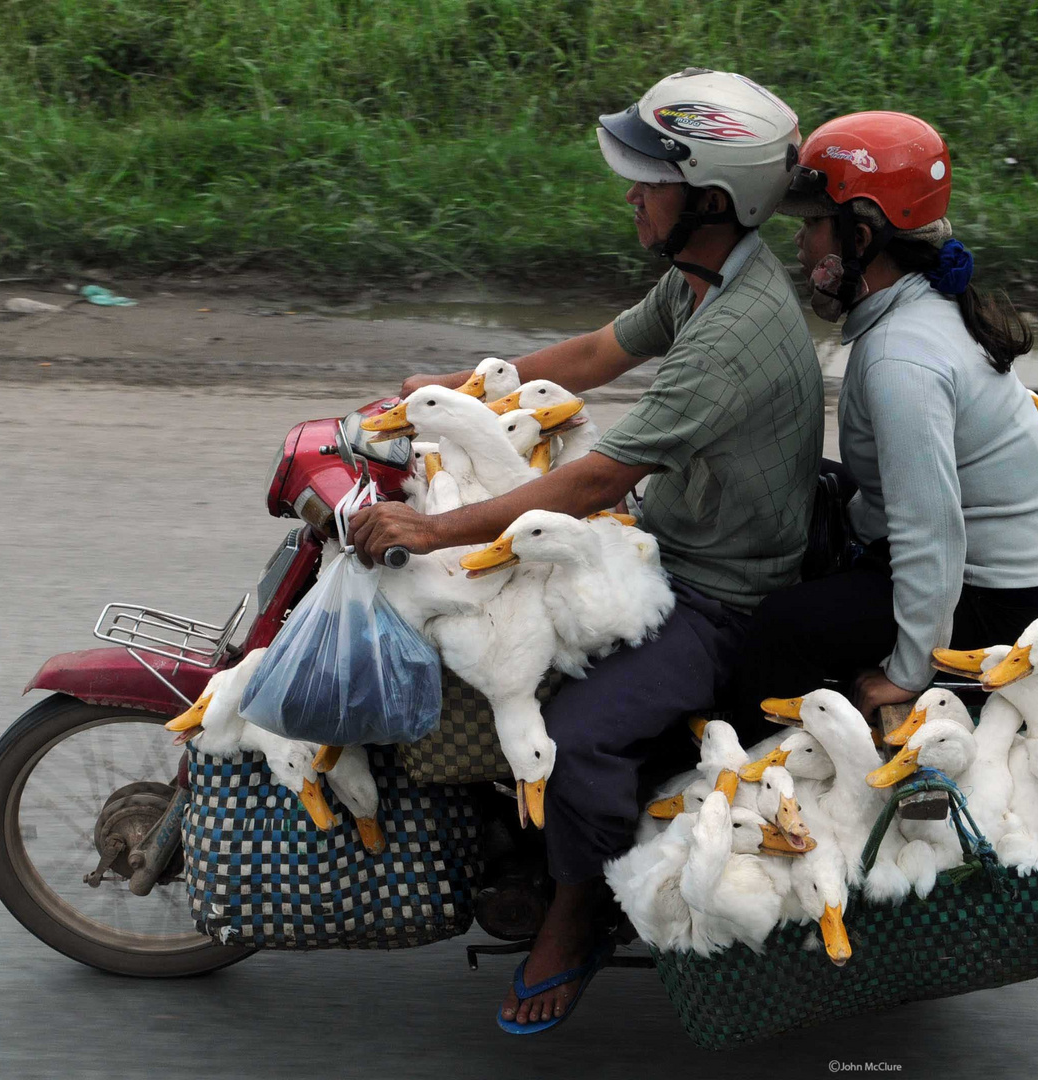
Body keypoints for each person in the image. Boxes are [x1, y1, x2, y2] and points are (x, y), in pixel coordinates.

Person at [347, 68, 822, 1032]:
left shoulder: (734, 333)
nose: (632, 192)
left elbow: (599, 478)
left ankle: (579, 909)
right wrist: (454, 386)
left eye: (651, 178)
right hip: (663, 540)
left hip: (715, 594)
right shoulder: (704, 279)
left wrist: (432, 527)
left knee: (581, 735)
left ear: (711, 198)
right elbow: (598, 353)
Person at [739, 111, 1038, 721]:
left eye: (812, 225)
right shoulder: (924, 307)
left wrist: (912, 671)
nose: (800, 244)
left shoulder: (899, 359)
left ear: (861, 239)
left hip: (986, 597)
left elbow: (930, 532)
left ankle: (753, 752)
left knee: (780, 626)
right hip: (978, 563)